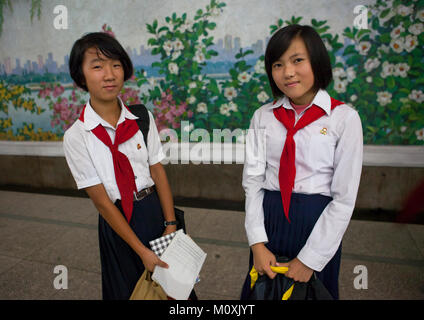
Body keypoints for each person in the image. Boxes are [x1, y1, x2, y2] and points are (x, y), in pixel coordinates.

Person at [240, 24, 363, 300]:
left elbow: (344, 198)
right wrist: (257, 242)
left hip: (316, 223)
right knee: (263, 292)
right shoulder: (263, 116)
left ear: (316, 61)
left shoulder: (344, 119)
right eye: (278, 64)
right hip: (269, 219)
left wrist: (310, 258)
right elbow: (253, 182)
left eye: (297, 60)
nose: (288, 72)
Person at [63, 32, 179, 299]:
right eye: (97, 66)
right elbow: (102, 202)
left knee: (174, 291)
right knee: (129, 291)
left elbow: (157, 170)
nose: (109, 74)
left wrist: (171, 224)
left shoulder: (140, 117)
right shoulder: (77, 136)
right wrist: (142, 252)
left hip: (154, 212)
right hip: (118, 222)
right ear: (81, 77)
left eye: (116, 64)